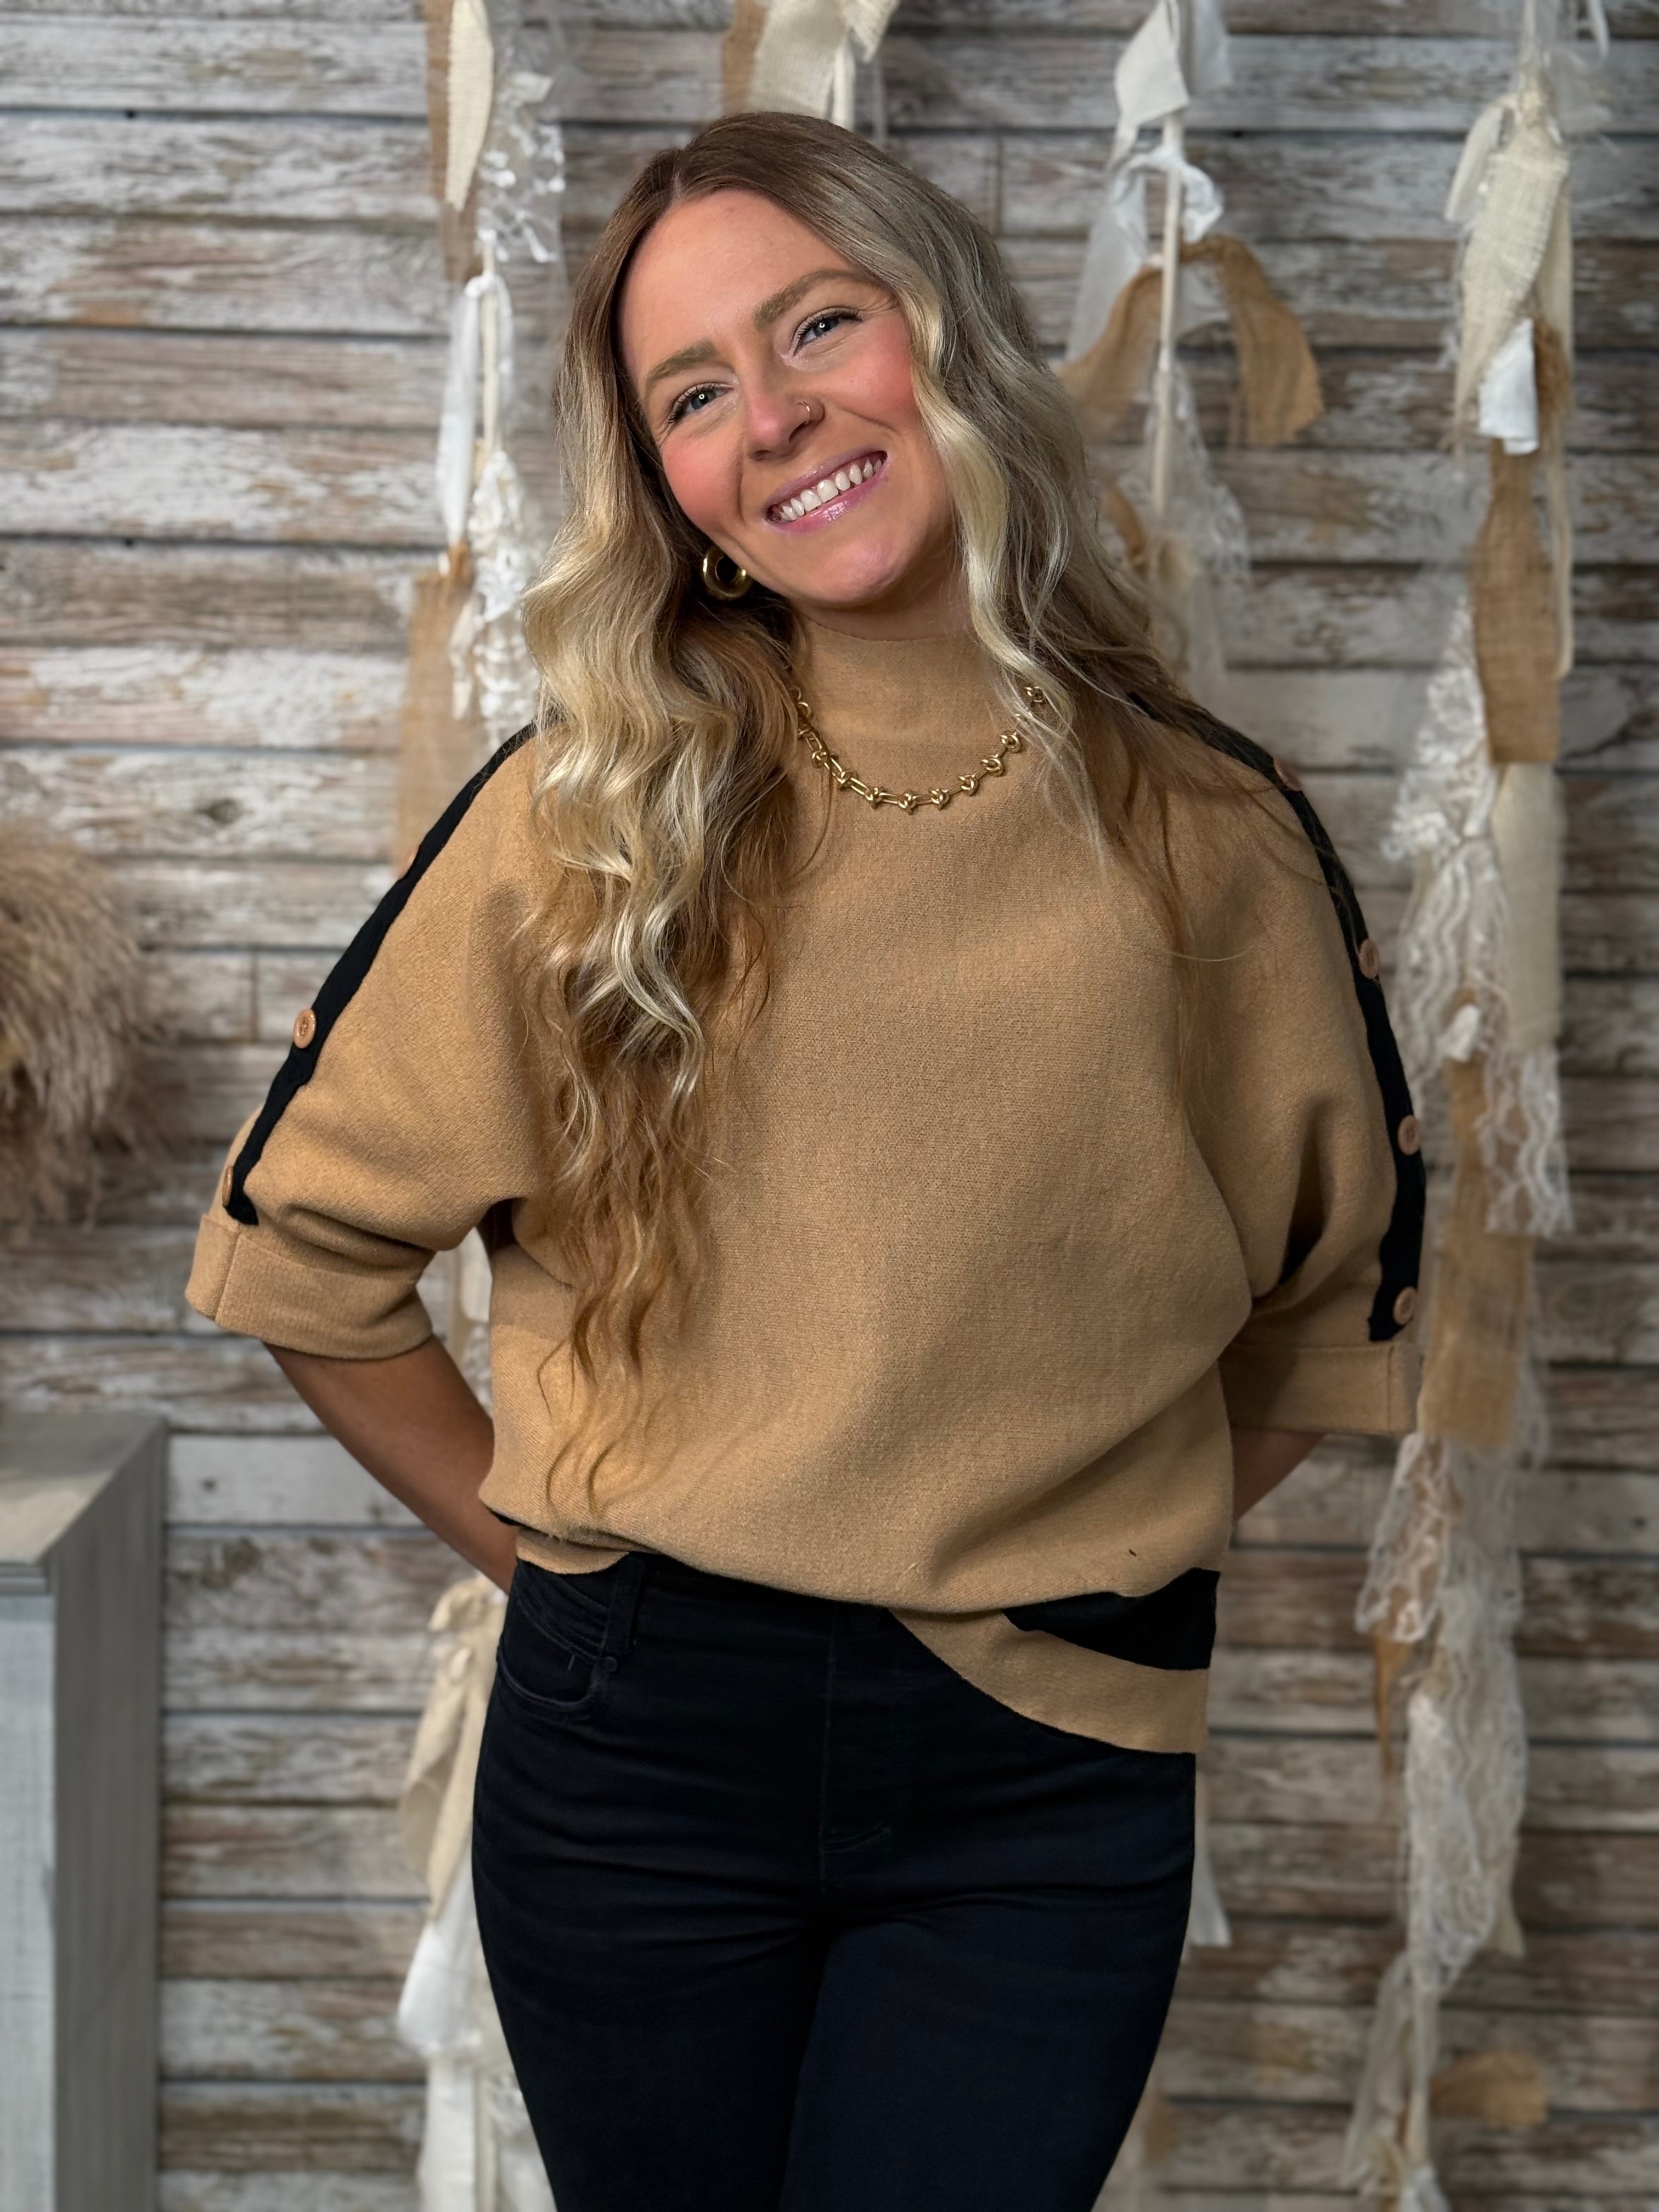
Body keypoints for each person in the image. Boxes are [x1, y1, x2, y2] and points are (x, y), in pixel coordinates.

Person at [185, 111, 1424, 2212]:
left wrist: (1059, 1526)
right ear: (674, 492)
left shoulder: (1215, 838)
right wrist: (565, 1580)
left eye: (816, 326)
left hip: (1046, 1782)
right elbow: (299, 1251)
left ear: (946, 331)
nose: (771, 418)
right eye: (691, 395)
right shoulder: (587, 817)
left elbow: (1330, 1313)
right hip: (636, 1766)